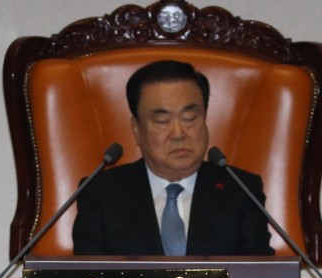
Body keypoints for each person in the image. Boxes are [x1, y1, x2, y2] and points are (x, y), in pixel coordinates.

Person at [72, 59, 273, 257]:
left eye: (190, 118)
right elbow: (88, 274)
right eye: (162, 121)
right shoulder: (100, 194)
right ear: (137, 130)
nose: (178, 134)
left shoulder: (242, 190)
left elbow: (261, 273)